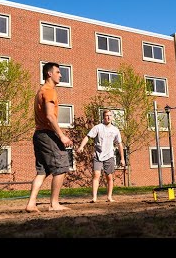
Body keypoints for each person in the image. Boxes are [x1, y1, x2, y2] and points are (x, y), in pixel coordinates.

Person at [25, 62, 73, 212]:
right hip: (47, 134)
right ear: (49, 74)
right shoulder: (49, 91)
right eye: (58, 72)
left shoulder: (40, 91)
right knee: (61, 166)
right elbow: (50, 116)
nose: (61, 75)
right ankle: (54, 204)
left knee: (43, 171)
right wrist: (61, 135)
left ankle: (31, 204)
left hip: (38, 135)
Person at [77, 109, 125, 203]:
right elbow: (87, 137)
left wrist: (122, 158)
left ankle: (109, 197)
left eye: (110, 115)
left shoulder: (115, 130)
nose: (108, 117)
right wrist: (81, 146)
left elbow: (119, 144)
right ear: (103, 117)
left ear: (112, 117)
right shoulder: (98, 127)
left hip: (109, 156)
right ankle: (94, 197)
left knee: (109, 177)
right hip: (98, 155)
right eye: (106, 115)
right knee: (96, 174)